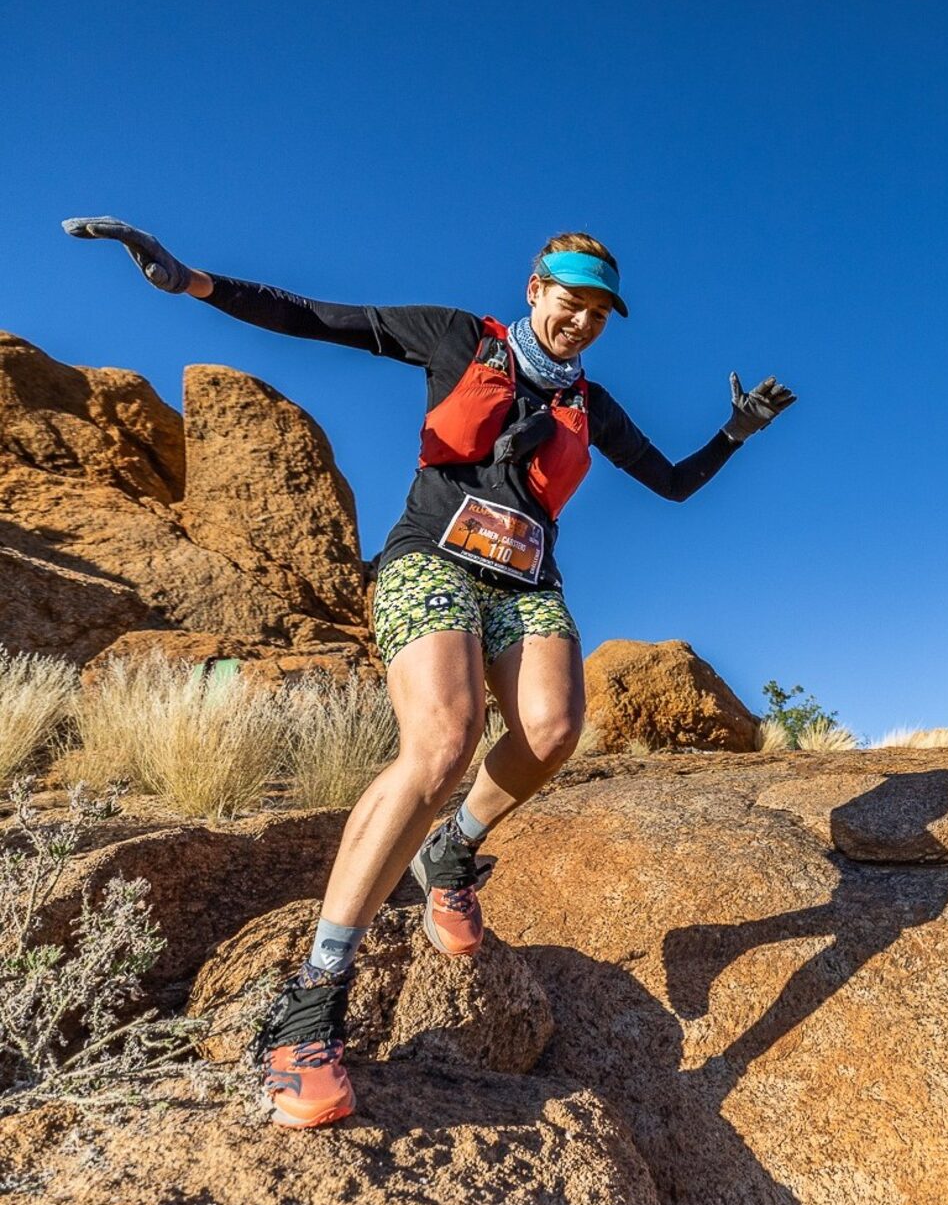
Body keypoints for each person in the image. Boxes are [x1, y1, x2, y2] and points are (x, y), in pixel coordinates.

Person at [63, 215, 796, 1129]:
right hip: (431, 562)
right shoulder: (458, 338)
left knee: (553, 730)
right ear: (536, 290)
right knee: (445, 739)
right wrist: (195, 282)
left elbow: (673, 483)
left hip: (525, 581)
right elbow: (318, 317)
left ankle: (450, 851)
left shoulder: (592, 405)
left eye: (599, 312)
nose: (582, 321)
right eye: (571, 301)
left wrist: (736, 431)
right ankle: (311, 1002)